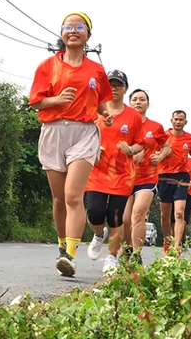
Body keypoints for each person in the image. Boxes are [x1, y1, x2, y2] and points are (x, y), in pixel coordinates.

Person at [28, 12, 114, 277]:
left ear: (88, 35)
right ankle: (62, 247)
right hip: (54, 131)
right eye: (68, 26)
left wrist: (107, 112)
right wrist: (57, 100)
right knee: (58, 199)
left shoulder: (96, 70)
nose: (73, 30)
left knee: (73, 195)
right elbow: (36, 101)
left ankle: (71, 255)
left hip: (84, 133)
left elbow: (102, 102)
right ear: (62, 33)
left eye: (79, 27)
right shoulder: (47, 66)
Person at [85, 70, 145, 274]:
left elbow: (140, 144)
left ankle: (111, 257)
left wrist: (130, 150)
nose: (114, 88)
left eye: (118, 85)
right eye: (110, 84)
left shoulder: (133, 116)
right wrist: (94, 147)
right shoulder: (96, 111)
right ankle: (98, 234)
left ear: (125, 88)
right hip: (97, 171)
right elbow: (84, 135)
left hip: (122, 175)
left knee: (116, 217)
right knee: (95, 213)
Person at [121, 89, 170, 262]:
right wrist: (132, 157)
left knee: (137, 215)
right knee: (125, 220)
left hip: (147, 178)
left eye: (142, 99)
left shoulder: (155, 127)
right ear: (129, 103)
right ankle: (126, 251)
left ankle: (136, 255)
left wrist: (160, 156)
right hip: (125, 177)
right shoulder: (123, 125)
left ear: (148, 104)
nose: (138, 102)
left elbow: (166, 146)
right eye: (134, 99)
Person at [158, 110, 191, 255]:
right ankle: (166, 240)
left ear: (185, 122)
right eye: (176, 119)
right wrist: (162, 153)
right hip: (164, 176)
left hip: (182, 177)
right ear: (171, 121)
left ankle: (176, 246)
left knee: (179, 213)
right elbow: (153, 151)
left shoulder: (190, 137)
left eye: (181, 120)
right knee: (165, 214)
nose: (178, 122)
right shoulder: (163, 136)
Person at [170, 156, 191, 240]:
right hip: (173, 193)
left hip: (188, 194)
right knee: (173, 219)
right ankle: (174, 239)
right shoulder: (171, 160)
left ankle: (181, 239)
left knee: (183, 218)